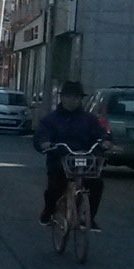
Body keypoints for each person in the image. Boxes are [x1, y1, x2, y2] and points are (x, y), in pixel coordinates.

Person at [35, 79, 109, 229]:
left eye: (76, 97)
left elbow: (102, 134)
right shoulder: (51, 119)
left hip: (85, 161)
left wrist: (105, 142)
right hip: (60, 160)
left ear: (81, 99)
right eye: (68, 97)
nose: (72, 100)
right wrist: (45, 143)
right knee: (55, 187)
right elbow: (41, 136)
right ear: (62, 98)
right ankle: (48, 211)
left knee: (96, 184)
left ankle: (88, 218)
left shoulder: (90, 120)